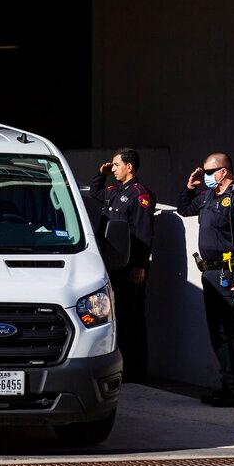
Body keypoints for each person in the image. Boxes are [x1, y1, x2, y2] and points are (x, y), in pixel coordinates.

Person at [176, 152, 234, 407]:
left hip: (229, 274)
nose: (206, 177)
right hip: (210, 273)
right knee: (217, 333)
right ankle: (226, 384)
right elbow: (183, 208)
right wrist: (190, 187)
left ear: (223, 171)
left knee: (231, 332)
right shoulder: (209, 196)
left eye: (209, 172)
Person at [87, 148, 155, 382]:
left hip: (129, 268)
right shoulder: (114, 191)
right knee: (115, 317)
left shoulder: (140, 194)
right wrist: (101, 173)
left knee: (132, 318)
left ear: (130, 167)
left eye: (116, 165)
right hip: (111, 265)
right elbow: (95, 191)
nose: (113, 168)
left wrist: (140, 265)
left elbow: (144, 234)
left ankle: (137, 370)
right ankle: (122, 366)